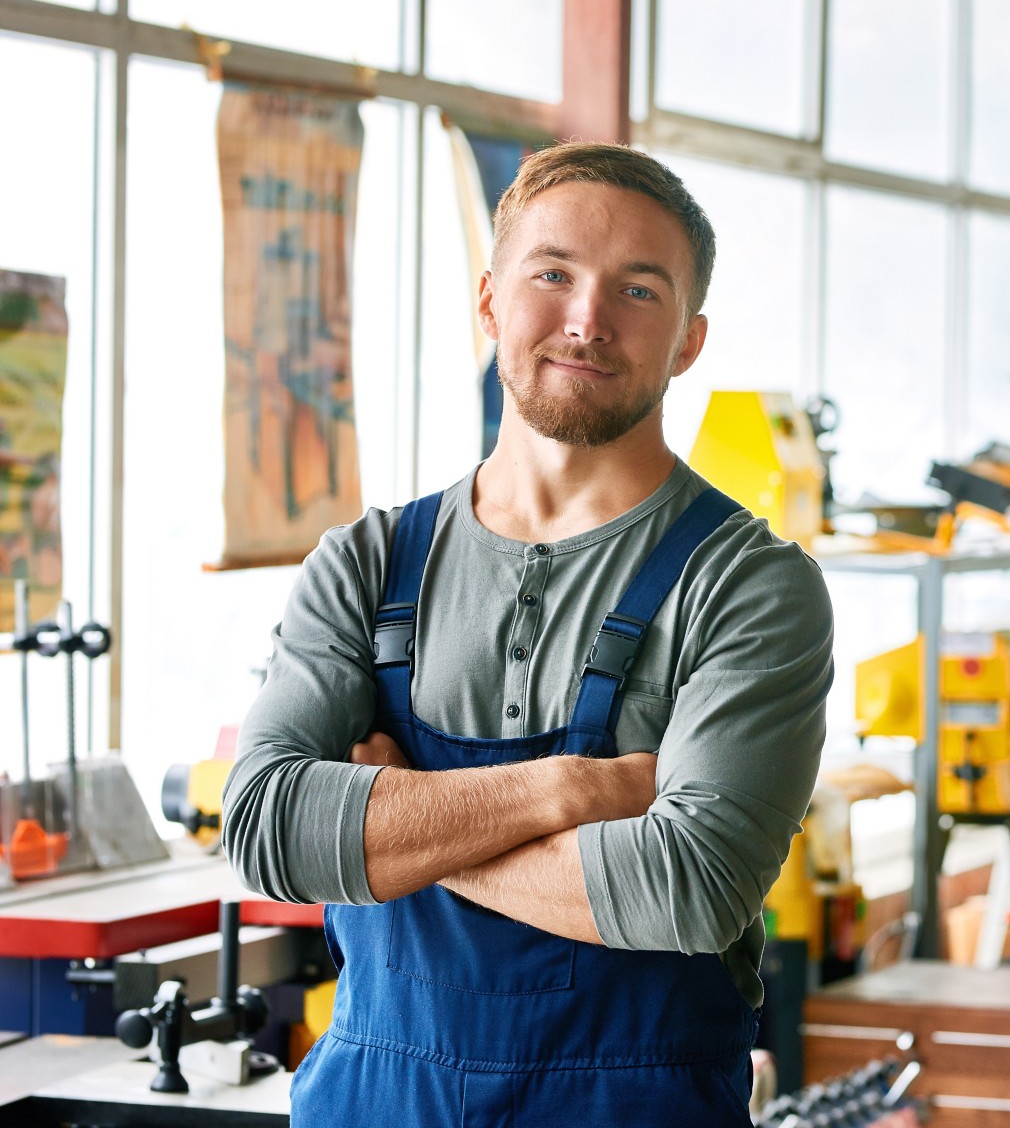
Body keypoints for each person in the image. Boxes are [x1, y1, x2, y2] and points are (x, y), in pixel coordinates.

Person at [222, 142, 834, 1127]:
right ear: (491, 300)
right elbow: (263, 828)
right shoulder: (366, 563)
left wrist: (392, 824)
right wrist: (568, 789)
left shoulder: (750, 584)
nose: (586, 319)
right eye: (552, 273)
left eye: (638, 289)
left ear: (689, 340)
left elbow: (685, 887)